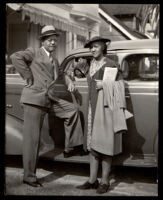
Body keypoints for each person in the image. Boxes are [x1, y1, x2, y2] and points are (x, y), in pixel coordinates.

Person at [10, 25, 83, 187]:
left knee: (72, 110)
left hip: (49, 99)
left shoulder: (55, 59)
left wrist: (69, 80)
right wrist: (27, 75)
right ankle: (29, 177)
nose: (53, 43)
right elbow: (15, 57)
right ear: (43, 41)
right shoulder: (34, 52)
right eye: (50, 40)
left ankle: (70, 147)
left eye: (55, 40)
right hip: (34, 100)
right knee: (32, 140)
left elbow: (61, 72)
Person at [76, 36, 132, 194]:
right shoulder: (91, 64)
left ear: (103, 47)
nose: (93, 50)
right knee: (92, 144)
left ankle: (105, 181)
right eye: (91, 47)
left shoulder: (111, 64)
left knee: (105, 145)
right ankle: (92, 180)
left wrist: (106, 84)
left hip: (105, 109)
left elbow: (121, 86)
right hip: (91, 108)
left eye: (96, 46)